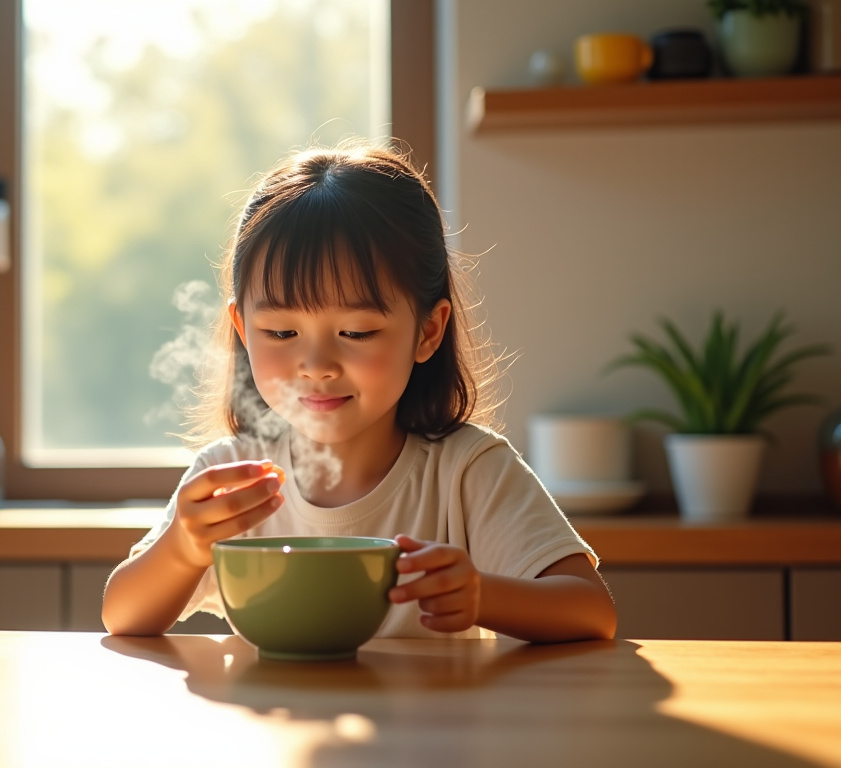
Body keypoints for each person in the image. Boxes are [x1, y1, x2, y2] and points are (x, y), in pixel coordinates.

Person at [102, 143, 616, 642]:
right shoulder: (230, 478)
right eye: (281, 334)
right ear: (241, 327)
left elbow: (591, 610)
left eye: (357, 333)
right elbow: (122, 616)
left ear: (428, 332)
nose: (318, 367)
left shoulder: (466, 471)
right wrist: (182, 549)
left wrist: (483, 597)